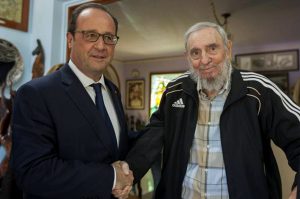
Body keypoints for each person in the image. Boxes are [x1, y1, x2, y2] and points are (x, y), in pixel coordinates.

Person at [123, 22, 300, 199]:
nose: (204, 60)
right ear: (188, 57)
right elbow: (152, 136)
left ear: (228, 49)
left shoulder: (259, 89)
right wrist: (127, 172)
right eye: (195, 53)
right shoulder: (175, 90)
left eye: (212, 48)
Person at [11, 3, 133, 199]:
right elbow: (33, 172)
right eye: (91, 35)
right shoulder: (35, 93)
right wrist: (110, 177)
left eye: (109, 38)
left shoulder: (113, 90)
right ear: (70, 40)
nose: (101, 46)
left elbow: (114, 146)